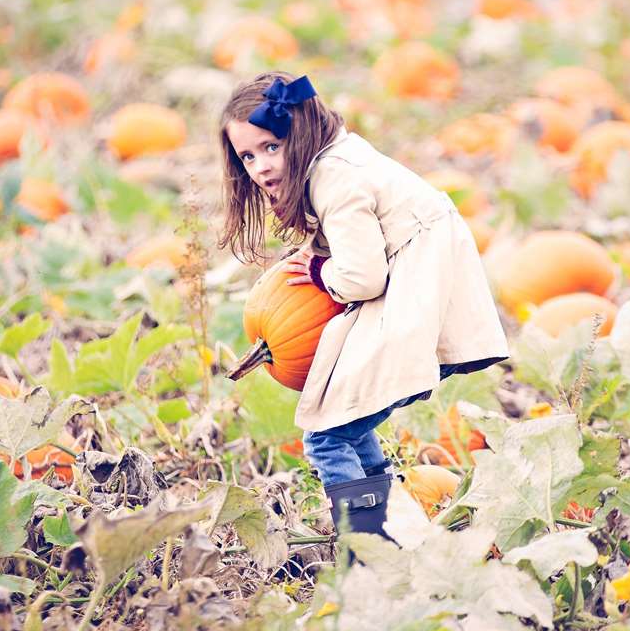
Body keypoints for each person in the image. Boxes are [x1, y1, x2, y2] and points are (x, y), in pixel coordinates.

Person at [218, 71, 509, 538]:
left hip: (416, 301)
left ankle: (366, 545)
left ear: (303, 130)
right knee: (345, 423)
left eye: (272, 147)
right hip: (421, 293)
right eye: (248, 156)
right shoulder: (340, 160)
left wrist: (318, 271)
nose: (261, 166)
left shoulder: (336, 181)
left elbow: (362, 277)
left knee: (328, 436)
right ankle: (389, 534)